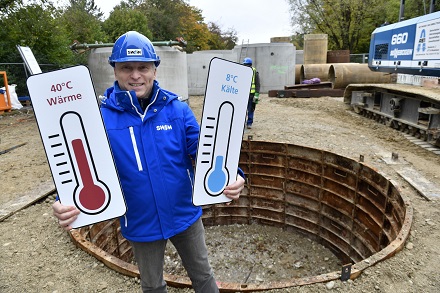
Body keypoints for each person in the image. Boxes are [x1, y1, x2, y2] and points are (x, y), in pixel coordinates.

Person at [52, 31, 245, 293]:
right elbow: (83, 168)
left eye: (143, 67)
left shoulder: (177, 110)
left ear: (154, 69)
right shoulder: (99, 120)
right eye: (126, 68)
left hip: (184, 214)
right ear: (115, 71)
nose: (135, 75)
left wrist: (234, 174)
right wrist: (67, 200)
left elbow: (205, 150)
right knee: (153, 286)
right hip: (140, 221)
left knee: (203, 276)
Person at [242, 57, 260, 129]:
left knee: (251, 109)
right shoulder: (242, 71)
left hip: (251, 95)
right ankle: (243, 123)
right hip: (244, 94)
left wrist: (256, 95)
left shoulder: (254, 72)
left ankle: (249, 123)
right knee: (243, 110)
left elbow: (257, 84)